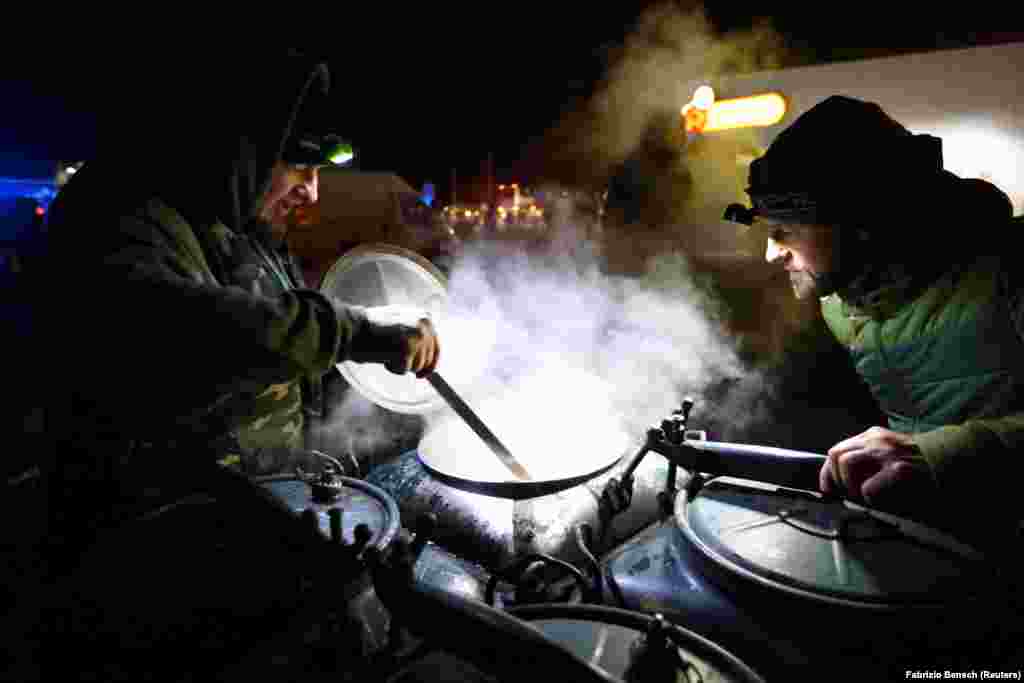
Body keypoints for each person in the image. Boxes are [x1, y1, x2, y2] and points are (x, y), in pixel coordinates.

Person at [40, 52, 440, 574]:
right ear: (240, 147)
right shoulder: (115, 217)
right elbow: (193, 332)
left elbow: (289, 342)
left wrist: (382, 411)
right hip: (145, 543)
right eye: (299, 165)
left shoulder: (233, 228)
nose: (312, 191)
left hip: (248, 515)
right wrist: (358, 332)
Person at [723, 95, 1021, 550]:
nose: (770, 252)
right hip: (940, 536)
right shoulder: (842, 296)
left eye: (784, 230)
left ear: (862, 220)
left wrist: (939, 456)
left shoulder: (1010, 268)